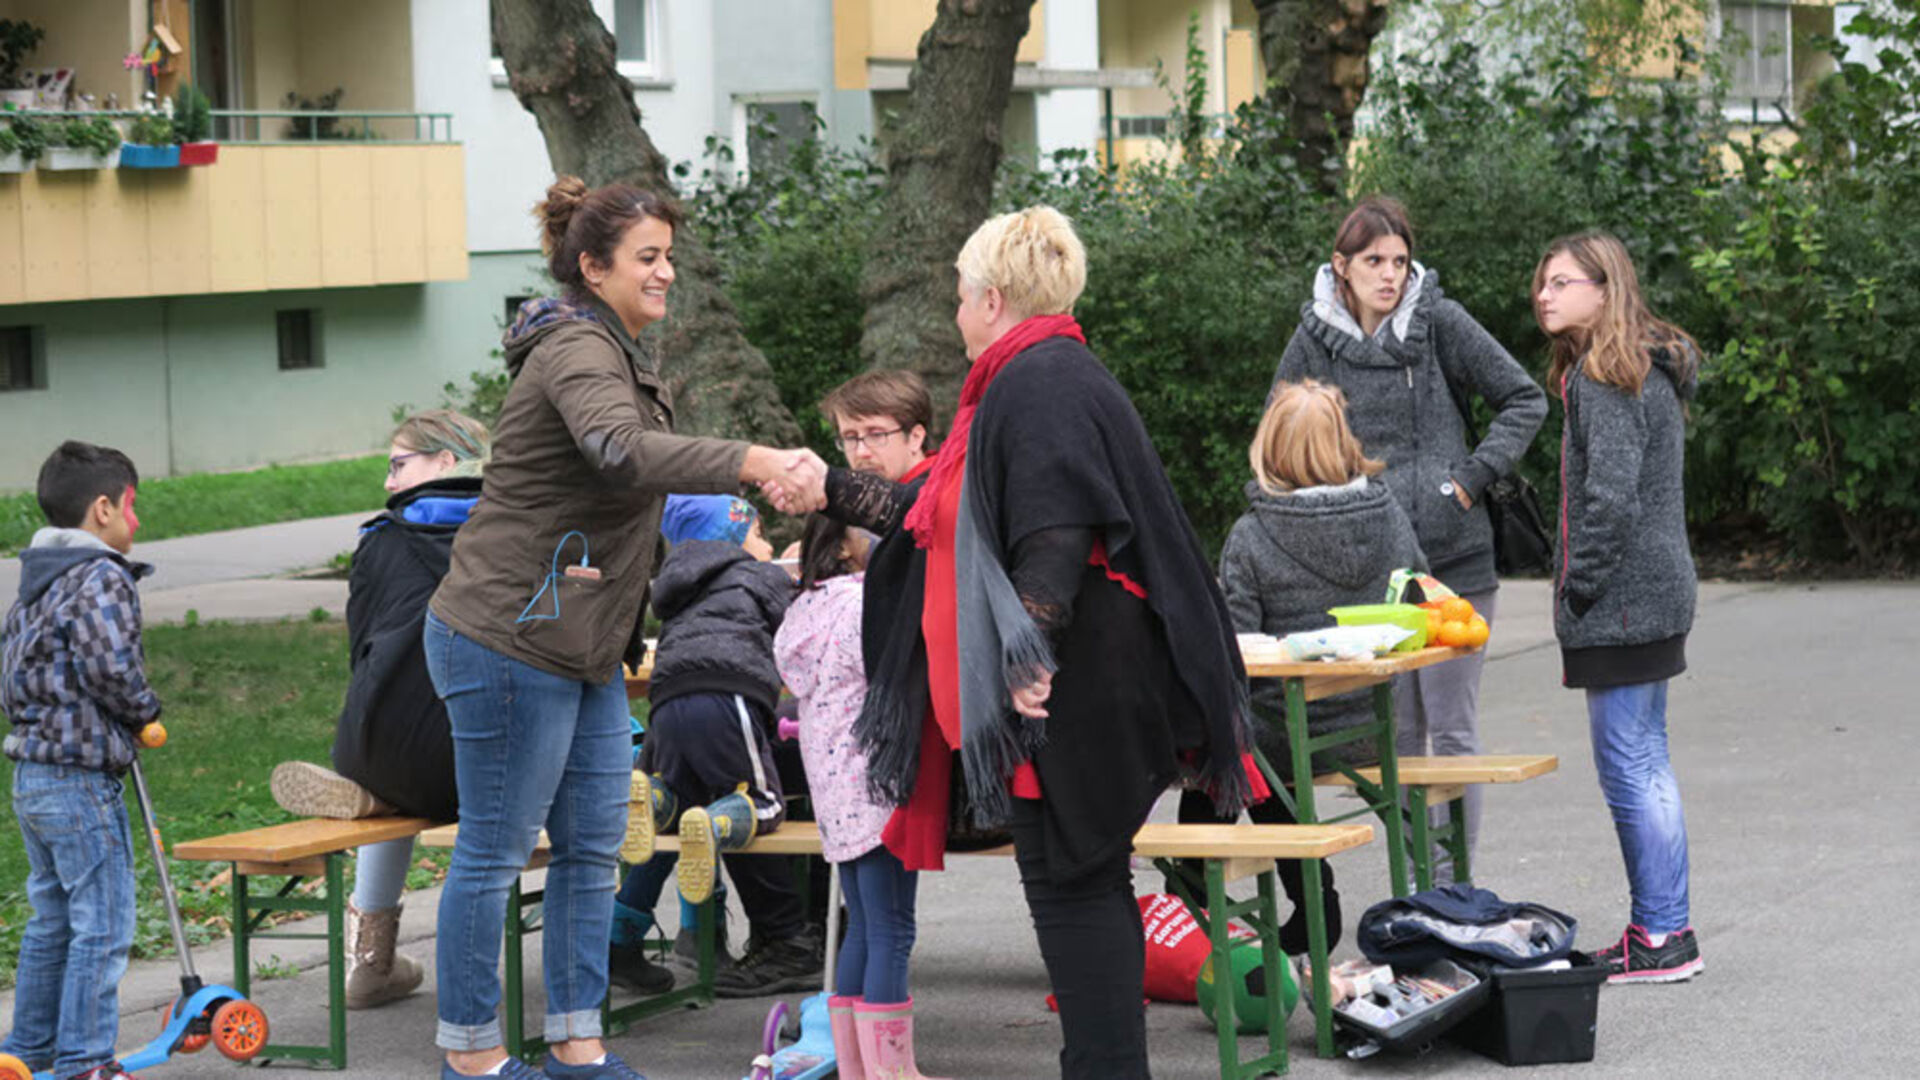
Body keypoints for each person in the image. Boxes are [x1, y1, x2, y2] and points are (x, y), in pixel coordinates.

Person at [775, 206, 1257, 1079]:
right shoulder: (1028, 377)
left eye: (961, 296)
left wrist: (1027, 650)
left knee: (1077, 886)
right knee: (1075, 882)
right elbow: (932, 520)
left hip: (1080, 686)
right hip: (1075, 683)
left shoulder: (1038, 381)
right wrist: (831, 487)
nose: (956, 313)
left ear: (991, 298)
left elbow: (1056, 526)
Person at [423, 176, 824, 1080]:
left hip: (587, 648)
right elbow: (619, 449)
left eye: (669, 257)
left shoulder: (614, 350)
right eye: (648, 258)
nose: (666, 273)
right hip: (505, 637)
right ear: (593, 267)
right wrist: (752, 462)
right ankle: (474, 1059)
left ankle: (577, 1045)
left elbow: (630, 478)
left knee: (593, 847)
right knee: (492, 855)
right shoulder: (575, 348)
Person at [1269, 195, 1547, 881]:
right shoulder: (1313, 336)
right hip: (1370, 569)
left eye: (1398, 260)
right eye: (1373, 261)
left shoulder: (1439, 320)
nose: (1389, 274)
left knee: (1451, 732)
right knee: (1392, 739)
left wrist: (1469, 480)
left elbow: (1524, 397)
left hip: (1455, 561)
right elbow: (1284, 432)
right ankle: (1412, 883)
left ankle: (1454, 890)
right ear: (1342, 266)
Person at [1182, 380, 1426, 952]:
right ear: (1344, 442)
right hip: (1371, 724)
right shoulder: (1388, 514)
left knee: (1228, 750)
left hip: (1282, 731)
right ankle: (1300, 898)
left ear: (1272, 448)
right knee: (1256, 756)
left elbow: (1236, 650)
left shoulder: (1252, 535)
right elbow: (1417, 597)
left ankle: (1200, 890)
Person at [267, 409, 490, 1009]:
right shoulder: (509, 536)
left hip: (366, 743)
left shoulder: (377, 539)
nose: (388, 483)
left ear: (445, 462)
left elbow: (360, 647)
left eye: (398, 465)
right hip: (472, 758)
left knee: (403, 770)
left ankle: (371, 961)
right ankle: (606, 947)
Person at [1534, 230, 1702, 984]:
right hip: (1657, 591)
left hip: (1626, 600)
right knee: (1648, 761)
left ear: (1606, 290)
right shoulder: (1634, 368)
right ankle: (1666, 929)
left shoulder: (1604, 379)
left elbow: (1610, 497)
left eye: (1564, 282)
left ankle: (1661, 934)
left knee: (1629, 766)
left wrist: (1581, 586)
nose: (1546, 294)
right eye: (1543, 283)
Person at [1, 441, 161, 1080]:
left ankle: (25, 1051)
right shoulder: (100, 577)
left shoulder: (34, 581)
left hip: (31, 774)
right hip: (78, 777)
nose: (136, 522)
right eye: (131, 507)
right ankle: (85, 1061)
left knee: (53, 921)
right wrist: (144, 714)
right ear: (102, 509)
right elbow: (111, 666)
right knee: (103, 924)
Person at [621, 494, 819, 1000]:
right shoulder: (759, 576)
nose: (767, 544)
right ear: (731, 541)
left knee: (679, 791)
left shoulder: (678, 588)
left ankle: (660, 801)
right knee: (761, 800)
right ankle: (713, 830)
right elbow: (803, 631)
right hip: (727, 696)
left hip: (666, 703)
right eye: (758, 534)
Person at [774, 514, 921, 1077]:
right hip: (877, 787)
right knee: (892, 929)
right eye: (868, 530)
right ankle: (892, 1072)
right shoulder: (865, 603)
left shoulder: (807, 607)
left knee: (864, 925)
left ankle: (860, 1069)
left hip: (836, 794)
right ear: (839, 545)